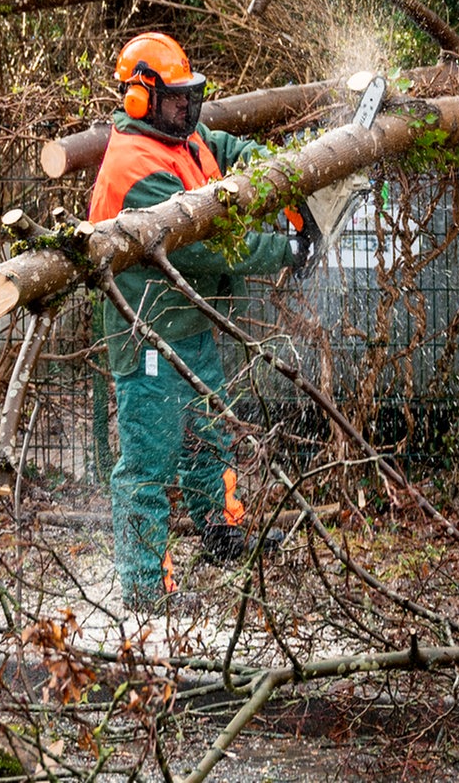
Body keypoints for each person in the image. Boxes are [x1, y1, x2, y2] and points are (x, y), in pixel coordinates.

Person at [89, 32, 305, 614]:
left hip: (190, 326)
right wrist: (284, 250)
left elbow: (230, 150)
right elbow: (210, 249)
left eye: (191, 97)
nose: (189, 108)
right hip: (149, 334)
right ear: (141, 98)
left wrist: (292, 173)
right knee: (148, 463)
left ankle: (221, 535)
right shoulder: (136, 169)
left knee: (209, 440)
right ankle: (142, 585)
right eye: (177, 99)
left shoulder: (181, 139)